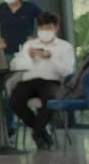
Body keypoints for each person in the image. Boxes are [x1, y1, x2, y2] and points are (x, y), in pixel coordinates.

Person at [0, 0, 42, 136]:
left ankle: (40, 126)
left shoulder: (31, 7)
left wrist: (36, 38)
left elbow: (44, 22)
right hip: (7, 56)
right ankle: (9, 128)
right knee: (6, 92)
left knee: (22, 89)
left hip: (27, 57)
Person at [8, 12, 75, 150]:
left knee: (50, 100)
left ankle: (37, 133)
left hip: (51, 81)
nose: (44, 31)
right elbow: (15, 66)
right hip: (29, 80)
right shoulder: (29, 45)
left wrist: (50, 56)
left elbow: (68, 71)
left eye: (48, 28)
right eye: (42, 28)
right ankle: (41, 131)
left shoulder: (65, 46)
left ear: (56, 27)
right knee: (14, 101)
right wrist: (27, 58)